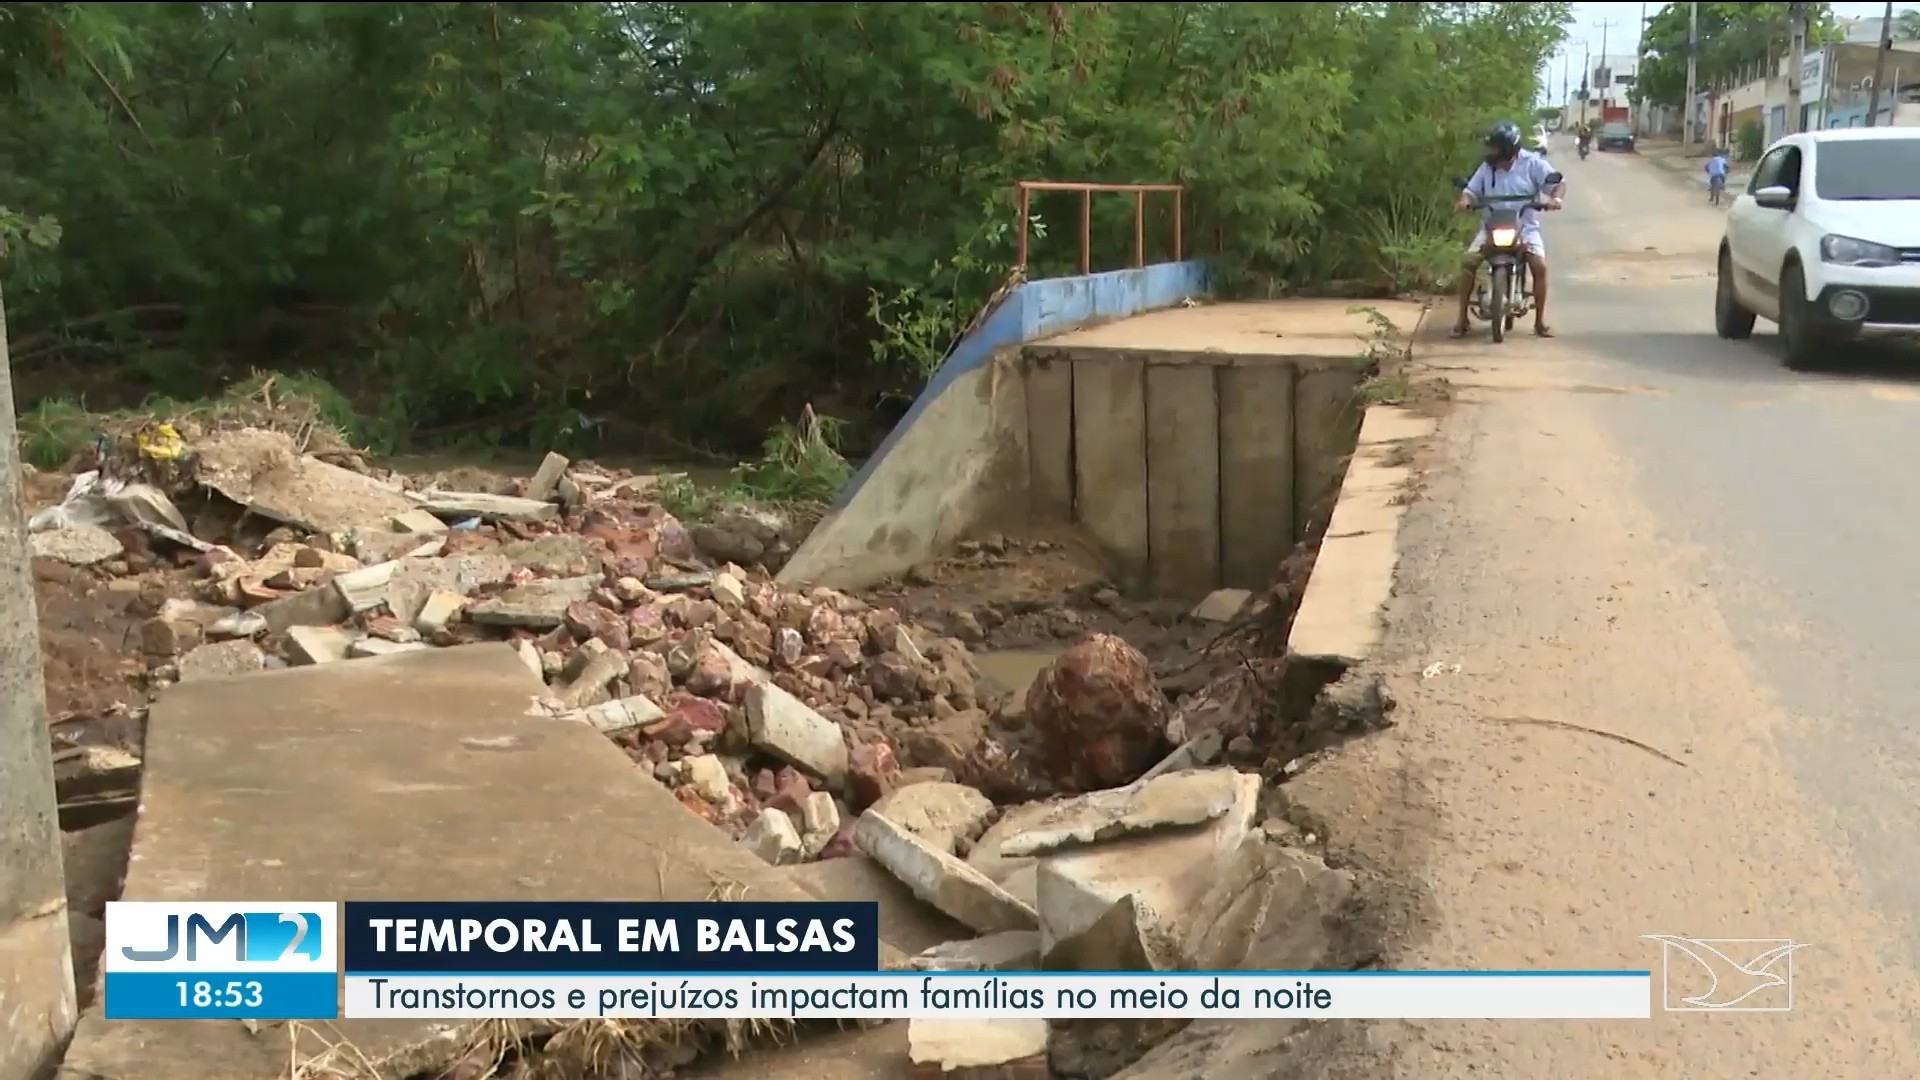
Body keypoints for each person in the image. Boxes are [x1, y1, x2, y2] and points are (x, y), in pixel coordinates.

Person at [1453, 120, 1566, 339]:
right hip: (1491, 226)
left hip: (1525, 227)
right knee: (1468, 264)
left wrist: (1555, 199)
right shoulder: (1486, 167)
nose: (1491, 151)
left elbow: (1559, 183)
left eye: (1495, 147)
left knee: (1539, 267)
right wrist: (1464, 201)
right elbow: (1470, 190)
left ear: (1507, 148)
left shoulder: (1533, 163)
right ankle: (1461, 319)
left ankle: (1540, 322)